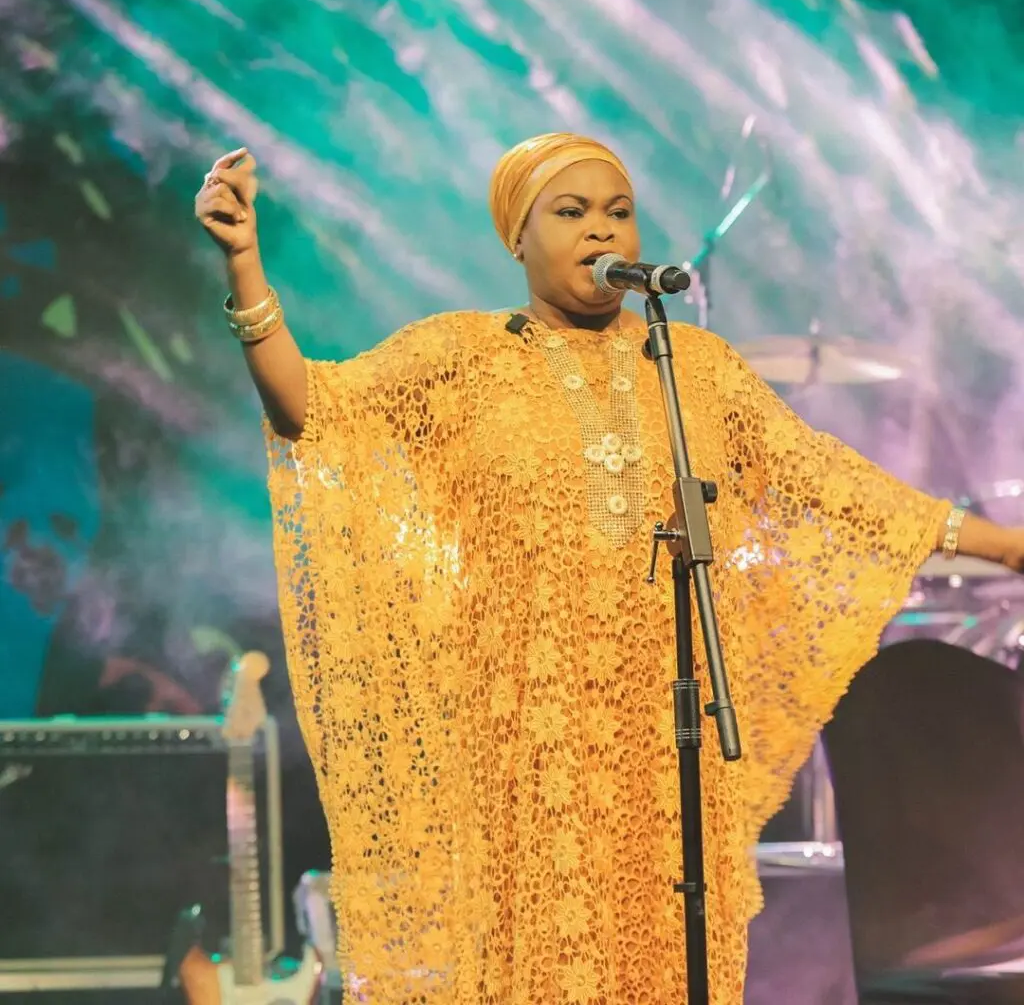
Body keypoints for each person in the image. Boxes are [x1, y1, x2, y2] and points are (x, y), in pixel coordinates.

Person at [196, 133, 1024, 1004]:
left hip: (663, 743)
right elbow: (310, 412)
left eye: (618, 213)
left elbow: (830, 485)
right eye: (572, 212)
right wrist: (246, 268)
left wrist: (1005, 545)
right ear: (518, 236)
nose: (602, 231)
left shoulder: (694, 367)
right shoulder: (459, 357)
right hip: (523, 741)